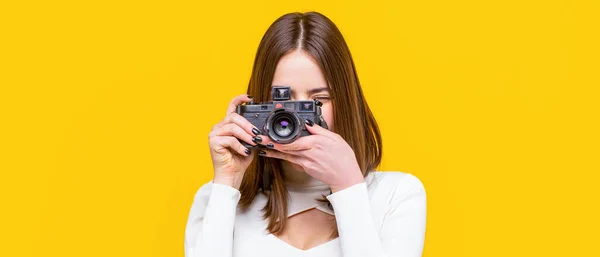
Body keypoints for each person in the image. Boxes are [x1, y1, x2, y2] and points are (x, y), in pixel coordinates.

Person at [184, 11, 426, 257]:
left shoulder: (397, 195)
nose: (295, 118)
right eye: (284, 100)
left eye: (319, 100)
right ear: (257, 105)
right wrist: (227, 182)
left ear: (346, 102)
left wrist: (348, 186)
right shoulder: (217, 198)